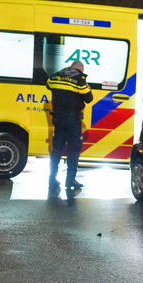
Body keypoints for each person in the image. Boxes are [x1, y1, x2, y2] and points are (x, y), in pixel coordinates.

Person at [46, 60, 93, 193]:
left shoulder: (55, 75)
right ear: (80, 69)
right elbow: (89, 98)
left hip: (58, 117)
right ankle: (70, 179)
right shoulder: (79, 78)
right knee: (74, 149)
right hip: (72, 119)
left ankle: (52, 179)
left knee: (57, 149)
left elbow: (48, 85)